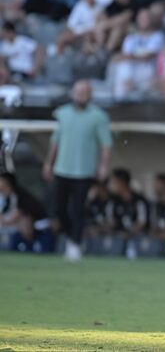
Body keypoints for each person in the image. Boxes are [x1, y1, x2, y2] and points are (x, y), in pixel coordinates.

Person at [42, 80, 112, 262]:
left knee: (78, 209)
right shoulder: (62, 114)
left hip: (83, 170)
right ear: (72, 93)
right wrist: (49, 163)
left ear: (90, 95)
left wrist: (103, 165)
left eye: (84, 93)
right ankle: (70, 235)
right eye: (78, 92)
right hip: (62, 168)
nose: (80, 96)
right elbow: (55, 140)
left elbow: (105, 143)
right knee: (58, 208)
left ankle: (75, 243)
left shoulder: (98, 116)